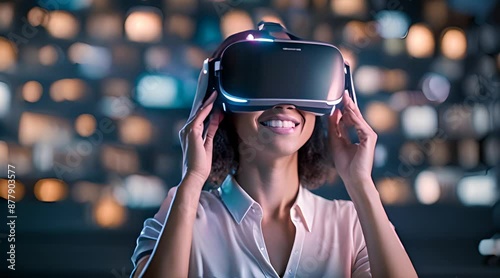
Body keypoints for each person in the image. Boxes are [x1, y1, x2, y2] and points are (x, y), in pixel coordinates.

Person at [130, 24, 418, 278]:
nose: (284, 103)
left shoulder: (350, 223)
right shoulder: (181, 211)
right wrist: (191, 181)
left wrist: (361, 184)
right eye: (262, 79)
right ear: (220, 105)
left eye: (298, 82)